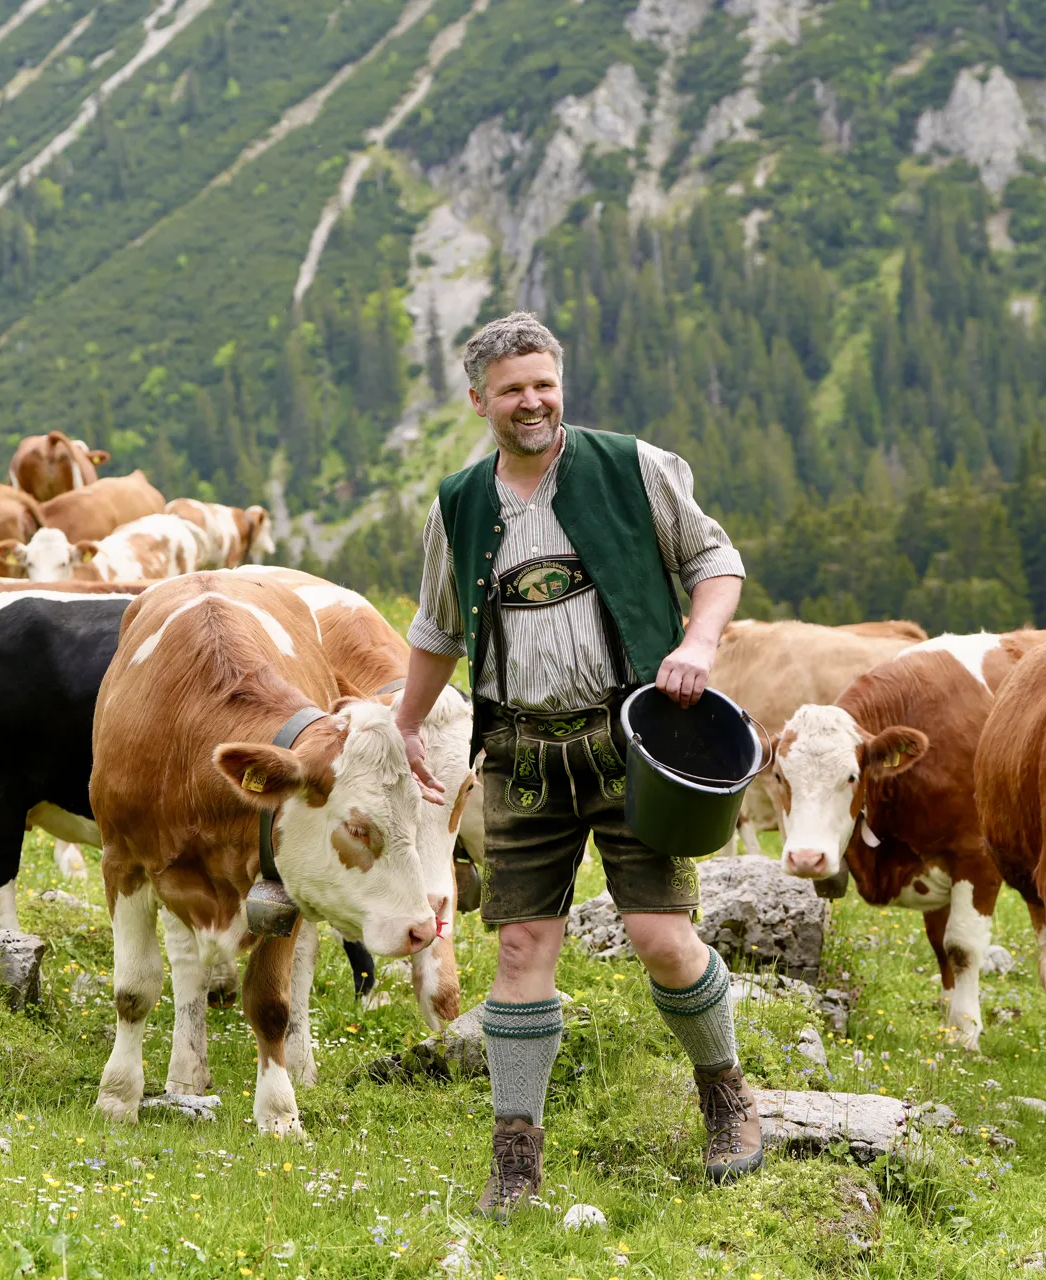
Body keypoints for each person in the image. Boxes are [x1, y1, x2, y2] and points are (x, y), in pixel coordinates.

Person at [394, 311, 758, 1220]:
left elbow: (714, 558)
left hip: (634, 743)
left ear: (561, 385)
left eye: (544, 384)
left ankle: (727, 1096)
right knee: (521, 948)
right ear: (478, 400)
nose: (532, 402)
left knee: (661, 937)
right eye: (512, 389)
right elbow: (438, 626)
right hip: (519, 751)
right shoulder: (459, 502)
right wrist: (405, 721)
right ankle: (516, 1161)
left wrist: (699, 643)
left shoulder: (634, 467)